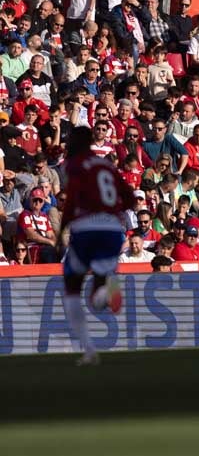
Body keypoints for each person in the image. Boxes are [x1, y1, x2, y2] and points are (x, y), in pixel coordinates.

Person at [59, 126, 136, 366]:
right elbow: (131, 198)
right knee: (98, 290)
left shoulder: (74, 164)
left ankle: (89, 350)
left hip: (86, 228)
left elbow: (72, 198)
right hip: (113, 230)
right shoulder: (107, 165)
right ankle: (109, 285)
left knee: (72, 286)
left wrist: (62, 229)